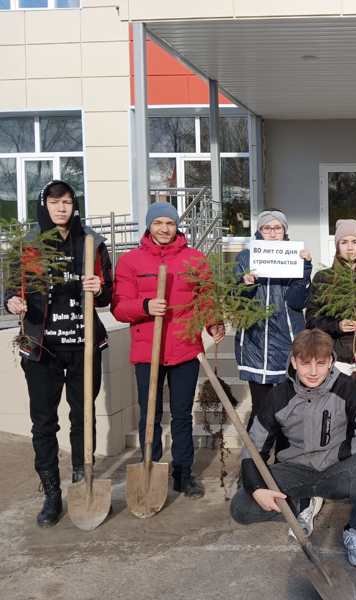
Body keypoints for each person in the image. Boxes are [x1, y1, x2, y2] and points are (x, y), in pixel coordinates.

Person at [5, 180, 113, 527]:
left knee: (83, 416)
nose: (62, 208)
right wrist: (11, 300)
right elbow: (8, 287)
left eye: (67, 202)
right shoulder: (27, 246)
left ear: (74, 205)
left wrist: (101, 287)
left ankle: (83, 480)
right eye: (55, 202)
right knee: (44, 422)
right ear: (44, 206)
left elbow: (108, 291)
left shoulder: (91, 242)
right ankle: (52, 492)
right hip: (42, 348)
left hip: (83, 346)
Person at [230, 329, 356, 568]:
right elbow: (253, 448)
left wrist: (336, 455)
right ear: (293, 361)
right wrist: (257, 488)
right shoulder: (279, 395)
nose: (313, 372)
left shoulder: (347, 388)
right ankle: (300, 507)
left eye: (321, 363)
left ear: (331, 361)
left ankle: (354, 530)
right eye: (305, 363)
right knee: (241, 508)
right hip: (296, 471)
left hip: (336, 471)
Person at [112, 202, 225, 499]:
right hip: (147, 349)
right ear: (149, 225)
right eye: (158, 222)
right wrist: (145, 306)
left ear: (177, 227)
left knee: (182, 413)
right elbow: (119, 308)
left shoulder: (195, 259)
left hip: (184, 348)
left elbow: (207, 298)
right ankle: (150, 465)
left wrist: (213, 322)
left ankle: (183, 472)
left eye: (170, 223)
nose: (164, 228)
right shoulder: (130, 261)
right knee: (149, 412)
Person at [233, 209, 312, 426]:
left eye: (277, 228)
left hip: (287, 341)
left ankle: (284, 458)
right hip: (255, 342)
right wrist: (245, 285)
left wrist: (305, 269)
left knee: (288, 409)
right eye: (267, 228)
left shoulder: (294, 256)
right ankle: (254, 459)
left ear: (284, 230)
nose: (272, 232)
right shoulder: (246, 257)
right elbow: (235, 301)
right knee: (261, 408)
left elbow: (297, 302)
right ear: (259, 230)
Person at [305, 219, 356, 382]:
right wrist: (337, 326)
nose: (350, 247)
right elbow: (312, 320)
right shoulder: (323, 279)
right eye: (344, 242)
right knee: (337, 405)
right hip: (335, 358)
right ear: (337, 246)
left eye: (354, 242)